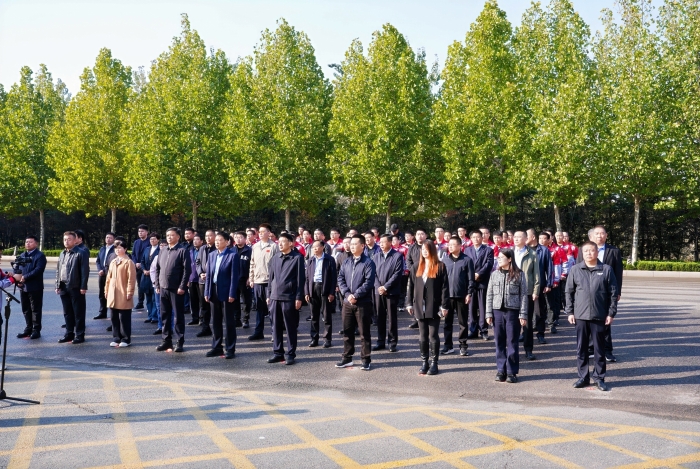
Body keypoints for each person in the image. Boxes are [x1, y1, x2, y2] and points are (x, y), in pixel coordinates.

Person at [567, 241, 618, 391]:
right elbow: (569, 292)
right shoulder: (575, 269)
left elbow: (613, 293)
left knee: (599, 349)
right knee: (581, 348)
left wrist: (611, 313)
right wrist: (570, 312)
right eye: (586, 251)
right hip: (580, 315)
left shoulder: (606, 269)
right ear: (582, 253)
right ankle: (583, 377)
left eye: (592, 250)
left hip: (599, 315)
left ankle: (599, 377)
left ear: (597, 252)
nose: (589, 253)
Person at [577, 225, 623, 363]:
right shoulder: (583, 250)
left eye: (602, 233)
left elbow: (618, 273)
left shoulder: (613, 251)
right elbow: (579, 270)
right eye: (597, 233)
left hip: (606, 291)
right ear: (591, 236)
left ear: (606, 235)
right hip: (588, 292)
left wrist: (618, 291)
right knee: (589, 321)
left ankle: (607, 350)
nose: (599, 236)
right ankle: (591, 349)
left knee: (606, 321)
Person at [486, 249, 528, 383]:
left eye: (501, 257)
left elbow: (523, 295)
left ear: (509, 259)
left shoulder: (519, 274)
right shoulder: (494, 274)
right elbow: (489, 294)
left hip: (512, 312)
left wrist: (523, 314)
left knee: (512, 342)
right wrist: (488, 313)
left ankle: (511, 372)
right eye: (498, 257)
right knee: (499, 342)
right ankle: (501, 370)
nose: (498, 259)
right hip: (497, 312)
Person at [406, 242, 449, 375]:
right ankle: (424, 362)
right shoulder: (416, 266)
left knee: (433, 335)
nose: (424, 252)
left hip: (434, 305)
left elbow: (445, 288)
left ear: (432, 251)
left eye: (427, 249)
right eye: (422, 249)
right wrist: (409, 303)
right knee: (422, 336)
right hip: (419, 305)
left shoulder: (440, 266)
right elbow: (410, 286)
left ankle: (434, 363)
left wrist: (444, 305)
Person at [336, 234, 376, 371]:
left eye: (354, 244)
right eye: (350, 244)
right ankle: (347, 358)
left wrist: (356, 295)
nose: (351, 246)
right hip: (347, 302)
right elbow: (340, 278)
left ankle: (366, 359)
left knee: (364, 333)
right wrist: (348, 295)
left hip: (362, 303)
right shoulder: (347, 261)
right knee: (347, 331)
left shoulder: (368, 263)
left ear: (362, 246)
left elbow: (369, 282)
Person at [266, 233, 305, 365]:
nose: (280, 244)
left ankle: (290, 354)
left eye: (283, 241)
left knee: (290, 327)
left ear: (291, 243)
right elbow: (271, 278)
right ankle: (278, 353)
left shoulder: (297, 258)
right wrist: (269, 294)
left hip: (289, 297)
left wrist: (299, 297)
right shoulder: (275, 257)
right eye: (279, 241)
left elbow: (300, 280)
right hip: (274, 297)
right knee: (276, 326)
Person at [154, 227, 191, 353]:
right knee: (165, 315)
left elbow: (187, 270)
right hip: (163, 288)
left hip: (176, 289)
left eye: (172, 235)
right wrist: (157, 285)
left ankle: (179, 341)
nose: (169, 237)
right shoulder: (163, 250)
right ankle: (166, 340)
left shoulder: (182, 250)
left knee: (178, 316)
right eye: (168, 235)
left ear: (178, 237)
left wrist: (182, 286)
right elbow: (158, 268)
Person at [204, 232, 240, 359]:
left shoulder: (233, 255)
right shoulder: (212, 255)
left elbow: (234, 277)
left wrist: (232, 293)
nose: (217, 242)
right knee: (215, 321)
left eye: (220, 240)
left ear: (227, 241)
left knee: (229, 322)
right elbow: (209, 276)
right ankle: (217, 347)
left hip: (226, 292)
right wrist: (207, 292)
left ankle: (230, 348)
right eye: (216, 240)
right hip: (213, 291)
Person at [443, 236, 475, 356]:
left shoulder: (467, 260)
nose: (450, 246)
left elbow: (471, 279)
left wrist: (469, 293)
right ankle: (448, 346)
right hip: (448, 296)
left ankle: (463, 345)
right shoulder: (445, 260)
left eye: (453, 244)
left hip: (462, 296)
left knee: (463, 323)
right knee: (447, 323)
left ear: (460, 246)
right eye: (449, 244)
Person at [55, 231, 90, 344]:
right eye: (65, 239)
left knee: (78, 313)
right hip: (63, 286)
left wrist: (83, 286)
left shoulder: (81, 253)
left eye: (69, 239)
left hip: (76, 286)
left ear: (75, 240)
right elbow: (58, 270)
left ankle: (80, 335)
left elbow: (85, 271)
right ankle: (69, 334)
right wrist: (57, 285)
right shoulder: (62, 253)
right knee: (67, 312)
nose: (66, 241)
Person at [372, 234, 404, 353]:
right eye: (380, 242)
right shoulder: (376, 256)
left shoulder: (397, 256)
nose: (381, 244)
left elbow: (397, 274)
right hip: (378, 291)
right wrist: (379, 287)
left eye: (383, 242)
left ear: (390, 243)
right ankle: (380, 341)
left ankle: (392, 342)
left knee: (391, 317)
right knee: (379, 317)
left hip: (391, 291)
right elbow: (373, 273)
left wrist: (386, 287)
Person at [512, 231, 540, 360]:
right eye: (515, 237)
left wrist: (535, 291)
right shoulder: (509, 252)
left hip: (527, 291)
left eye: (519, 237)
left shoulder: (532, 254)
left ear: (525, 239)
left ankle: (528, 349)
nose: (516, 239)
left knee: (527, 322)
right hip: (511, 291)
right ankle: (513, 350)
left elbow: (536, 274)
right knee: (512, 322)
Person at [248, 223, 278, 341]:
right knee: (259, 308)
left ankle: (274, 333)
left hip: (269, 282)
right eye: (259, 232)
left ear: (269, 233)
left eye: (263, 231)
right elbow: (252, 263)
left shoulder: (274, 246)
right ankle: (258, 332)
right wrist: (251, 278)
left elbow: (277, 265)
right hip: (257, 281)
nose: (260, 234)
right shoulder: (255, 246)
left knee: (272, 309)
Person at [304, 240, 337, 348]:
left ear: (322, 247)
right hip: (313, 288)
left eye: (316, 246)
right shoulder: (310, 260)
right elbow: (307, 278)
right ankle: (314, 338)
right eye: (313, 247)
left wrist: (331, 292)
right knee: (314, 316)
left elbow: (333, 277)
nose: (314, 248)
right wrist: (307, 292)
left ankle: (327, 339)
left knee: (326, 316)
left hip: (324, 288)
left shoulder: (329, 259)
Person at [13, 235, 47, 340]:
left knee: (35, 309)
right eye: (26, 242)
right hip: (23, 286)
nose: (28, 243)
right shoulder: (22, 255)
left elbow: (39, 270)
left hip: (35, 287)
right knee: (26, 309)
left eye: (30, 242)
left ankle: (36, 330)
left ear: (36, 243)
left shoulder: (40, 256)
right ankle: (28, 328)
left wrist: (25, 277)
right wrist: (17, 280)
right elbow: (16, 268)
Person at [105, 240, 136, 347]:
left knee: (124, 318)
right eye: (116, 248)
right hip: (112, 293)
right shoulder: (113, 261)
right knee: (114, 317)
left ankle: (126, 339)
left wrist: (130, 292)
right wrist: (106, 290)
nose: (117, 250)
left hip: (123, 292)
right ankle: (116, 337)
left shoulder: (129, 262)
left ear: (125, 249)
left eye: (120, 248)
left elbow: (131, 279)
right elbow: (108, 278)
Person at [464, 230, 494, 341]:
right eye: (474, 237)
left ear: (482, 238)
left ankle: (483, 330)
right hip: (471, 282)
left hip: (483, 281)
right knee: (471, 308)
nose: (476, 239)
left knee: (483, 308)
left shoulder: (488, 250)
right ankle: (473, 330)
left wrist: (479, 274)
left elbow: (489, 264)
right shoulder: (467, 250)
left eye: (478, 237)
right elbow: (465, 264)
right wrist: (472, 275)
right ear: (471, 239)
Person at [527, 228, 553, 346]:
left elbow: (549, 268)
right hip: (526, 285)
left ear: (533, 237)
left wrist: (548, 284)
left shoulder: (544, 250)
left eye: (526, 236)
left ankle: (541, 333)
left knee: (540, 310)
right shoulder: (524, 250)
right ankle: (525, 333)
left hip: (540, 284)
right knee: (525, 310)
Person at [406, 230, 427, 329]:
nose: (420, 236)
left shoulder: (429, 246)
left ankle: (428, 316)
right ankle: (416, 319)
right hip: (415, 274)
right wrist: (413, 271)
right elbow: (408, 260)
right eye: (418, 234)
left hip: (428, 274)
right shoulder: (412, 247)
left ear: (426, 235)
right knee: (416, 296)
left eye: (422, 234)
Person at [196, 230, 216, 336]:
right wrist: (200, 273)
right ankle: (205, 328)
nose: (208, 238)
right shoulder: (202, 248)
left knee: (215, 305)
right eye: (206, 236)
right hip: (203, 281)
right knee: (204, 305)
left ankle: (217, 329)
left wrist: (210, 274)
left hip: (214, 281)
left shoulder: (218, 248)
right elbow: (198, 262)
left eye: (210, 236)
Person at [231, 232, 252, 328]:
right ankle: (236, 319)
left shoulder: (249, 250)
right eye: (236, 237)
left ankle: (246, 319)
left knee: (246, 301)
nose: (238, 239)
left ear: (245, 239)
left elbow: (253, 265)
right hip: (234, 279)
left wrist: (250, 277)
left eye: (240, 237)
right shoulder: (231, 250)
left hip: (245, 279)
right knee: (234, 300)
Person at [94, 233, 116, 320]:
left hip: (110, 275)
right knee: (102, 294)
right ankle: (102, 312)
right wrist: (100, 270)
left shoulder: (115, 249)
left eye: (110, 238)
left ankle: (113, 314)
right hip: (102, 275)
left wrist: (105, 271)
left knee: (111, 294)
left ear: (114, 239)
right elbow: (98, 261)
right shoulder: (102, 249)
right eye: (107, 237)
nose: (108, 239)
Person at [141, 233, 160, 325]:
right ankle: (150, 316)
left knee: (154, 298)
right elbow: (142, 261)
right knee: (148, 298)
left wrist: (151, 271)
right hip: (145, 276)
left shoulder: (160, 250)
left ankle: (155, 316)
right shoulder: (147, 249)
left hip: (155, 277)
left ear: (158, 240)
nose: (152, 241)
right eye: (151, 239)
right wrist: (144, 270)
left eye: (154, 239)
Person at [187, 233, 205, 326]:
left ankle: (202, 318)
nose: (195, 241)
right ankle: (195, 317)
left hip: (201, 279)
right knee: (193, 300)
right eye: (194, 240)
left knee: (202, 300)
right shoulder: (190, 251)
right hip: (191, 279)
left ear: (202, 241)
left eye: (197, 240)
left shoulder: (204, 251)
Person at [131, 224, 150, 310]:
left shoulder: (150, 241)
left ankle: (149, 303)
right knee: (140, 285)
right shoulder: (136, 242)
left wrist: (142, 264)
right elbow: (133, 254)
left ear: (147, 232)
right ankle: (140, 302)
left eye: (142, 231)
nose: (140, 233)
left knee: (148, 286)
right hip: (137, 267)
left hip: (146, 267)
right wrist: (136, 263)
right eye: (139, 231)